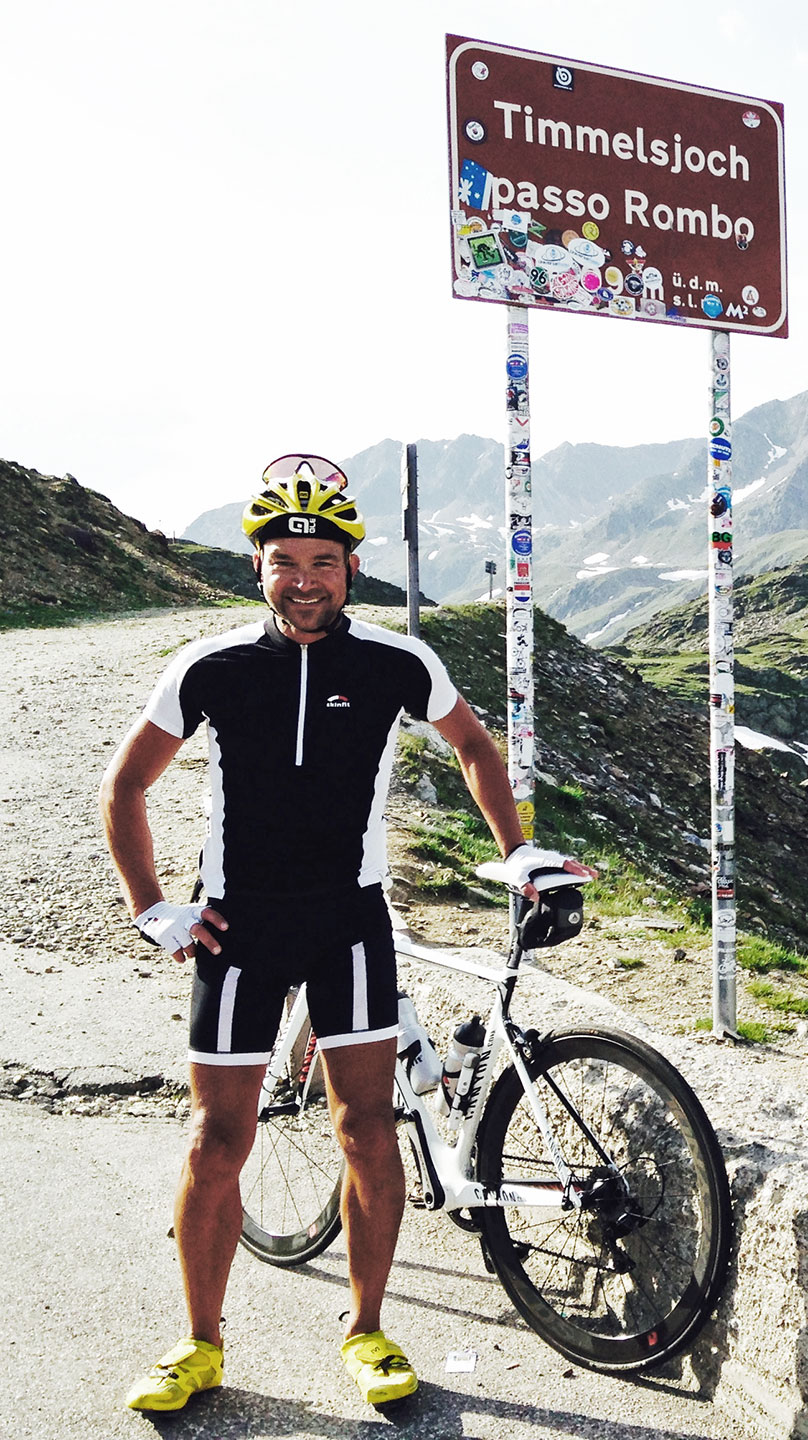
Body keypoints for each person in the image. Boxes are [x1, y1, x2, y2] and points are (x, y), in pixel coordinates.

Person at [100, 455, 588, 1413]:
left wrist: (518, 851)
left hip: (350, 924)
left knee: (368, 1130)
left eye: (323, 561)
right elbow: (125, 787)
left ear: (352, 570)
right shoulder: (210, 667)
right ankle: (201, 1344)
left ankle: (367, 1332)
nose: (306, 578)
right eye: (286, 561)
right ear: (258, 569)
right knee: (217, 1140)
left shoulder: (398, 663)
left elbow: (475, 747)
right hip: (238, 929)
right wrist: (152, 906)